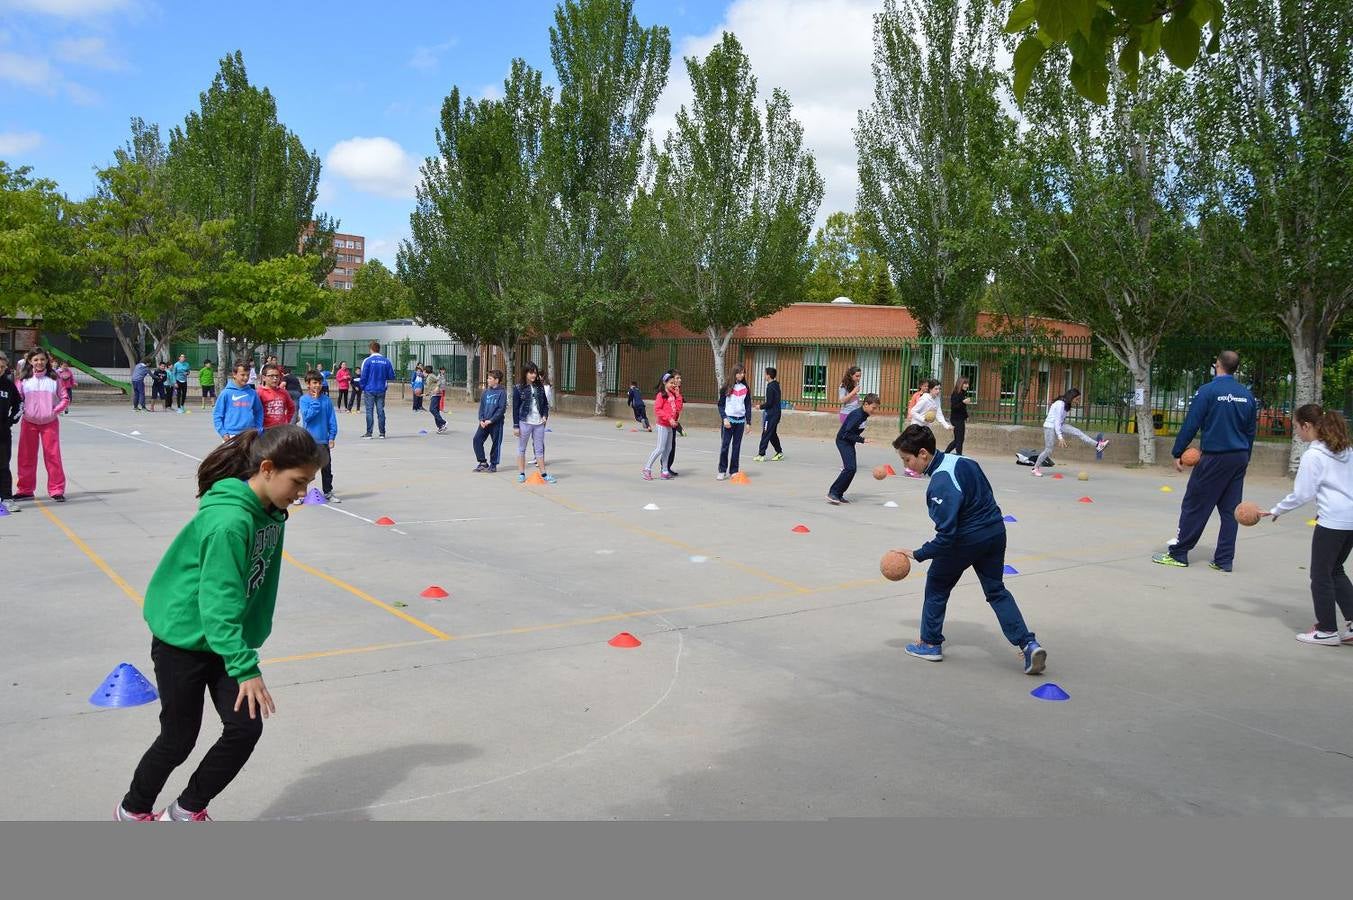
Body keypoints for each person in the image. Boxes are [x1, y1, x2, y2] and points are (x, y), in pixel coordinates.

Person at [114, 425, 322, 822]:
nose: (302, 492)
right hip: (186, 639)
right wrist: (245, 667)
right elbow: (218, 600)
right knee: (178, 739)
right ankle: (132, 809)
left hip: (226, 639)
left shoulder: (270, 511)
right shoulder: (229, 522)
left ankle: (186, 809)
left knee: (244, 729)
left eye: (308, 483)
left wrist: (246, 642)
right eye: (298, 482)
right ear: (266, 468)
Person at [890, 424, 1047, 674]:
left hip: (967, 539)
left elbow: (947, 536)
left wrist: (917, 553)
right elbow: (987, 496)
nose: (906, 466)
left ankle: (930, 643)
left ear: (923, 453)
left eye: (907, 459)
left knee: (937, 585)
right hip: (995, 532)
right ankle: (1028, 644)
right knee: (996, 591)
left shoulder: (940, 482)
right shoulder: (964, 461)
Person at [1153, 351, 1256, 571]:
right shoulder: (1246, 395)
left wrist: (1178, 452)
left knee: (1194, 505)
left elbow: (1192, 423)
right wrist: (1245, 457)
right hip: (1238, 457)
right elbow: (1250, 431)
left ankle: (1179, 554)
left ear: (1217, 364)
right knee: (1230, 511)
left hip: (1215, 457)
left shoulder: (1208, 391)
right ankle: (1224, 560)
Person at [1259, 405, 1353, 645]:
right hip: (1350, 519)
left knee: (1320, 574)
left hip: (1332, 521)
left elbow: (1303, 494)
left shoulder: (1314, 455)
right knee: (1335, 570)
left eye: (1297, 426)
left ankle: (1327, 630)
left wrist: (1276, 510)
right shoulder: (1346, 449)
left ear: (1307, 426)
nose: (1296, 432)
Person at [13, 348, 69, 502]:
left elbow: (65, 398)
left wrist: (54, 411)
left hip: (49, 423)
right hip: (29, 422)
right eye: (36, 359)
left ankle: (56, 489)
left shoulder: (54, 378)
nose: (39, 362)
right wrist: (22, 411)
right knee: (25, 457)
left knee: (53, 456)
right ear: (30, 361)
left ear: (47, 361)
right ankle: (25, 489)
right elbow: (17, 399)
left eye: (42, 359)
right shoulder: (23, 379)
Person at [1032, 388, 1108, 477]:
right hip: (1050, 427)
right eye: (1077, 399)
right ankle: (1035, 468)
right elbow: (1056, 422)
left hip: (1059, 425)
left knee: (1077, 432)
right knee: (1048, 449)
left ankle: (1098, 445)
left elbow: (1059, 422)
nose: (1078, 401)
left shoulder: (1065, 404)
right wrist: (1060, 437)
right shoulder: (1060, 404)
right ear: (1072, 397)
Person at [827, 392, 879, 504]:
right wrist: (862, 439)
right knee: (850, 468)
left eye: (876, 408)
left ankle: (838, 494)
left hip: (849, 442)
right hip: (843, 441)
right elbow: (847, 433)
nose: (874, 411)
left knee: (852, 469)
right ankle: (833, 492)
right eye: (873, 408)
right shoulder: (857, 415)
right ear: (865, 404)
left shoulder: (864, 415)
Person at [512, 361, 555, 484]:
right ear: (525, 373)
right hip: (524, 422)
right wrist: (516, 426)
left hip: (539, 423)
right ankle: (521, 473)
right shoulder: (518, 388)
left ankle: (544, 474)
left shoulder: (540, 387)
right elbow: (515, 408)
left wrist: (545, 416)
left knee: (539, 449)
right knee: (522, 448)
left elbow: (545, 404)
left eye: (535, 373)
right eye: (531, 373)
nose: (533, 375)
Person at [299, 372, 340, 502]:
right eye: (314, 383)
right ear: (308, 384)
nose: (317, 386)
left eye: (319, 383)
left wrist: (332, 436)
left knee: (326, 468)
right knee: (305, 469)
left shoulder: (327, 400)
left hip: (323, 440)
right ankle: (300, 493)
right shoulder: (304, 400)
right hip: (309, 441)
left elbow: (331, 420)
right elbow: (308, 417)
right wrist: (315, 401)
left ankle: (328, 491)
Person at [644, 371, 683, 481]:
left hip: (670, 425)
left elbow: (678, 408)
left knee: (668, 448)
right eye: (671, 383)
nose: (673, 385)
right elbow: (658, 410)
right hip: (663, 425)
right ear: (664, 383)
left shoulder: (673, 395)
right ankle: (647, 469)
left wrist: (678, 395)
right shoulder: (661, 395)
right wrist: (669, 418)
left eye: (674, 383)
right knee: (660, 448)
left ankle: (665, 471)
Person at [716, 364, 751, 480]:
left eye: (743, 372)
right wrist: (724, 418)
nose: (742, 375)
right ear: (734, 373)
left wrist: (748, 422)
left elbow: (748, 405)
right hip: (728, 421)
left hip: (740, 421)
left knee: (736, 446)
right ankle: (722, 470)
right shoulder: (726, 387)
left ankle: (734, 470)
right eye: (740, 372)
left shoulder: (745, 388)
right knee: (725, 446)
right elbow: (720, 405)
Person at [213, 363, 264, 441]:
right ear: (234, 374)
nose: (246, 378)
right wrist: (223, 432)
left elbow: (259, 412)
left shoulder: (253, 393)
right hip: (231, 435)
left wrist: (258, 428)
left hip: (249, 434)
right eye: (242, 375)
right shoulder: (226, 393)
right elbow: (217, 414)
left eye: (248, 375)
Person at [358, 341, 395, 439]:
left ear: (370, 349)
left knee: (369, 411)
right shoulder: (386, 361)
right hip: (381, 389)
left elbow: (363, 376)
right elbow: (391, 376)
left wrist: (362, 387)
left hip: (369, 389)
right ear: (379, 349)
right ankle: (382, 433)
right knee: (380, 411)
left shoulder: (367, 361)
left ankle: (369, 433)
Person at [472, 370, 507, 472]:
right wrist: (481, 419)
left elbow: (501, 409)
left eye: (490, 378)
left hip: (496, 423)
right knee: (477, 440)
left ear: (496, 380)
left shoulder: (502, 393)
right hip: (484, 422)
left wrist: (491, 420)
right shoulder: (486, 392)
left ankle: (493, 464)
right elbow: (482, 407)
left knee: (496, 443)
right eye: (488, 378)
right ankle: (482, 462)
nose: (488, 380)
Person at [0, 352, 21, 514]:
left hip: (3, 434)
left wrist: (10, 421)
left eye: (2, 367)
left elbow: (19, 405)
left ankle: (6, 498)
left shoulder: (8, 385)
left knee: (3, 466)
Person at [754, 366, 783, 462]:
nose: (764, 376)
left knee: (766, 433)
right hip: (776, 413)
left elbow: (769, 403)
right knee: (772, 434)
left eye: (765, 374)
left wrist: (760, 406)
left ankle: (761, 454)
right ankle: (779, 452)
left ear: (769, 376)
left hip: (771, 414)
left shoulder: (770, 387)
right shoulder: (775, 385)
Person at [256, 365, 296, 431]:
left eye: (277, 376)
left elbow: (291, 408)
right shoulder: (259, 393)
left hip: (281, 429)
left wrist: (287, 421)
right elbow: (255, 411)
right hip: (266, 430)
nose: (275, 378)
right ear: (264, 378)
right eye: (271, 376)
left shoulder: (284, 392)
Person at [944, 376, 971, 455]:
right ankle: (958, 455)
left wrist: (966, 416)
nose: (967, 385)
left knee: (958, 440)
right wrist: (963, 402)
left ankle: (946, 454)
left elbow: (962, 408)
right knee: (959, 440)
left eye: (967, 383)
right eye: (965, 383)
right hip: (956, 419)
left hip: (960, 419)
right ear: (960, 383)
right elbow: (954, 407)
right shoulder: (956, 393)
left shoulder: (962, 393)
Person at [424, 366, 447, 433]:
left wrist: (437, 387)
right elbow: (431, 387)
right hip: (434, 394)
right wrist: (426, 394)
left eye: (423, 371)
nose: (423, 373)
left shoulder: (431, 376)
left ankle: (443, 422)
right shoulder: (428, 377)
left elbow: (439, 381)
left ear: (425, 371)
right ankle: (441, 427)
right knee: (435, 411)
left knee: (432, 409)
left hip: (436, 394)